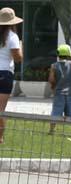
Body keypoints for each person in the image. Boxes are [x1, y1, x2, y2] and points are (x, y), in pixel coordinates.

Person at [47, 44, 71, 136]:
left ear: (58, 55)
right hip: (70, 93)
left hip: (58, 93)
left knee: (56, 112)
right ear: (69, 55)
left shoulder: (54, 66)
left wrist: (52, 87)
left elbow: (51, 79)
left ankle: (51, 130)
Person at [0, 7, 23, 144]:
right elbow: (18, 58)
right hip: (5, 73)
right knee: (1, 109)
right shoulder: (12, 37)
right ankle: (0, 137)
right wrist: (21, 45)